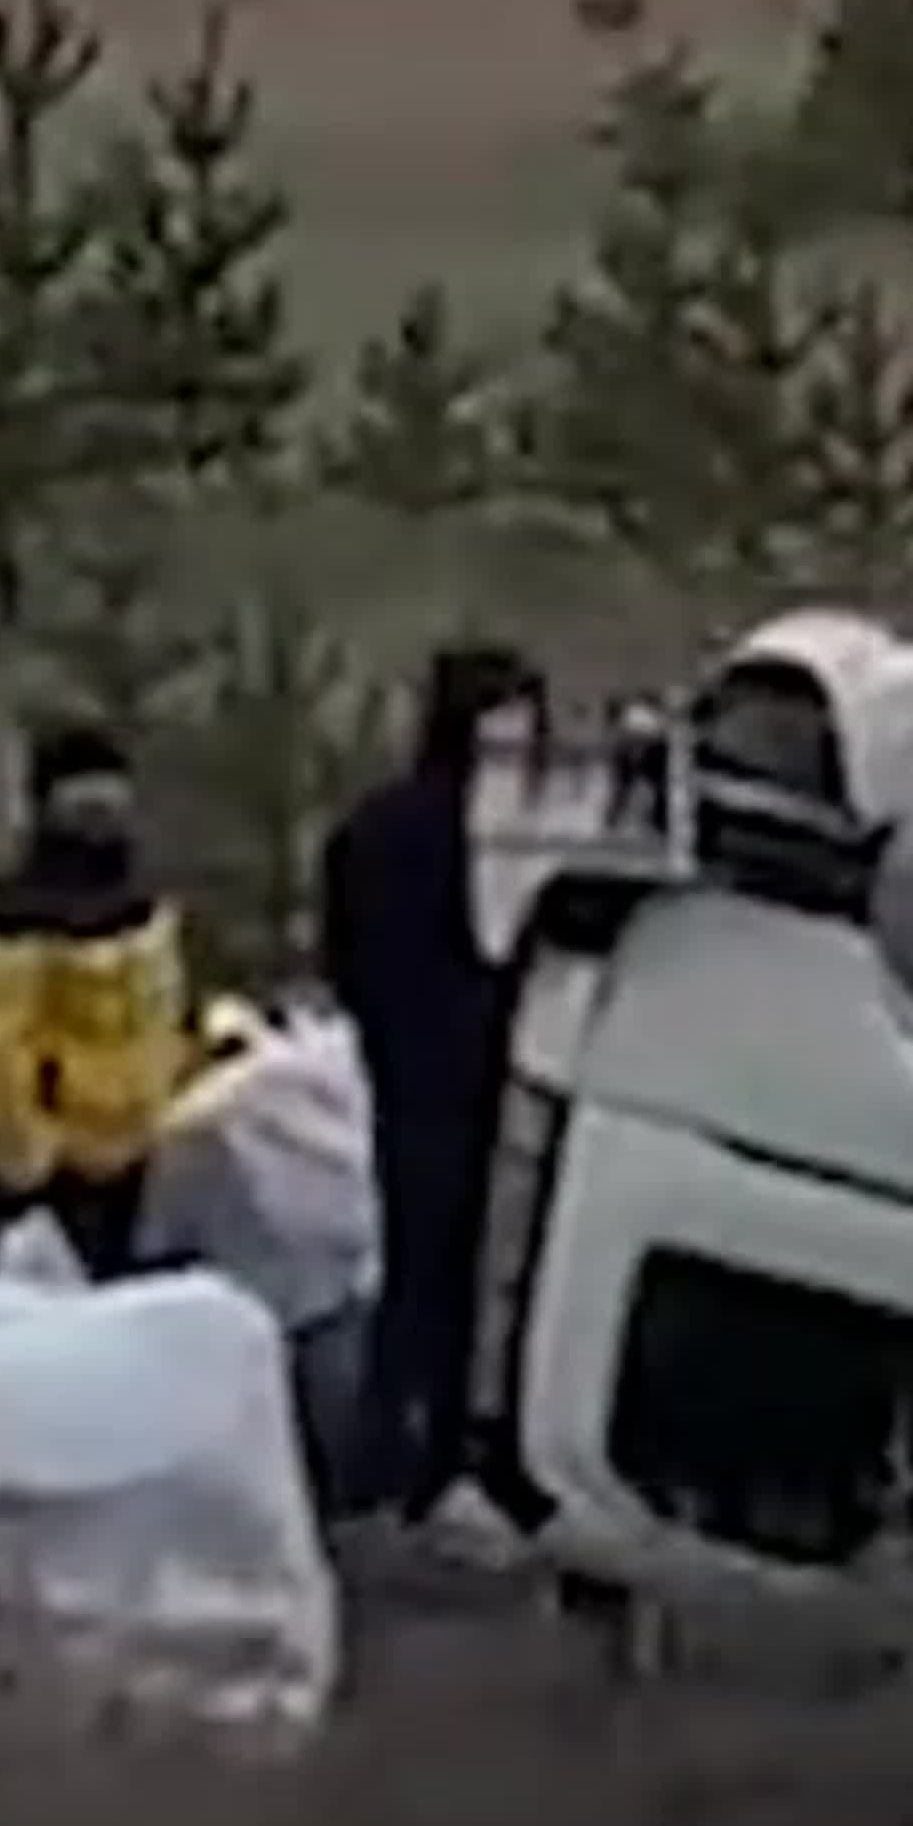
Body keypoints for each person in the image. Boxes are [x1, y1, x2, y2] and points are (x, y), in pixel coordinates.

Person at [316, 637, 536, 1519]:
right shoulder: (503, 841)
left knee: (415, 1263)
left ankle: (384, 1459)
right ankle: (445, 1454)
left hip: (402, 1066)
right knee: (475, 1270)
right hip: (483, 1068)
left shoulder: (373, 827)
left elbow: (344, 951)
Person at [0, 715, 193, 1280]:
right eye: (84, 802)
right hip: (46, 1163)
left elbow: (158, 1025)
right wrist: (28, 1164)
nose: (102, 816)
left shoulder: (144, 908)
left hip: (127, 1153)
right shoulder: (10, 916)